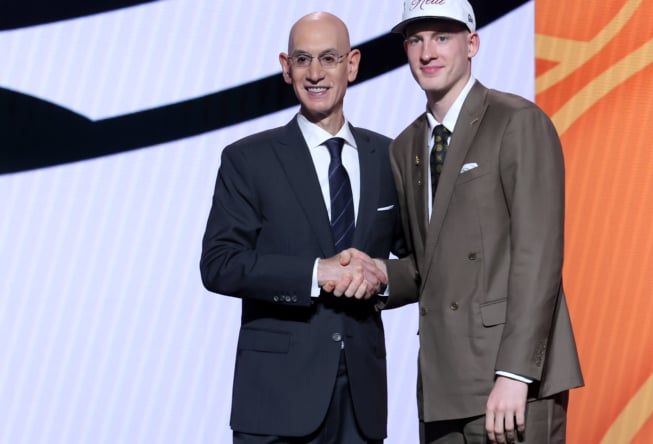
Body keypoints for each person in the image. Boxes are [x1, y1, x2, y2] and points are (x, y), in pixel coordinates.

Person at [373, 1, 585, 442]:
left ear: (472, 44)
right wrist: (377, 275)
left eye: (442, 37)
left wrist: (515, 373)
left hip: (511, 380)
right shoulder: (405, 147)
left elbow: (537, 255)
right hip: (443, 383)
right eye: (416, 40)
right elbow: (429, 266)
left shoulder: (517, 121)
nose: (427, 52)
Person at [200, 12, 405, 444]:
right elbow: (219, 264)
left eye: (328, 58)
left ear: (351, 65)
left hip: (362, 403)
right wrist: (316, 272)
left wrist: (381, 276)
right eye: (302, 59)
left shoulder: (389, 158)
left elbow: (419, 262)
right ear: (286, 67)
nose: (315, 73)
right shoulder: (248, 159)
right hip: (276, 400)